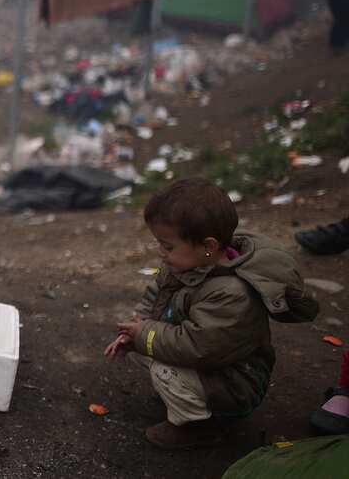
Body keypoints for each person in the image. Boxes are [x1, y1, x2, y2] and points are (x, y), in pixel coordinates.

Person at [104, 179, 318, 450]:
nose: (161, 253)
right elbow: (156, 294)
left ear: (208, 245)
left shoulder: (232, 293)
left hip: (236, 382)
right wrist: (135, 327)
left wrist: (144, 334)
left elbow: (197, 347)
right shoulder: (186, 264)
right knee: (146, 346)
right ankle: (187, 397)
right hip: (210, 365)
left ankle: (199, 427)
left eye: (167, 246)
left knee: (160, 362)